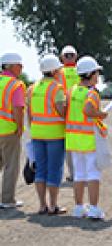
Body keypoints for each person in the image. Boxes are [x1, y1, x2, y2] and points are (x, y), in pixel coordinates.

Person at [65, 56, 108, 220]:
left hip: (74, 139)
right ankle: (94, 208)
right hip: (89, 139)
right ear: (90, 74)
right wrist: (101, 114)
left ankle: (78, 207)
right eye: (97, 73)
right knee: (93, 174)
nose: (98, 77)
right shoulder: (92, 93)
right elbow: (89, 110)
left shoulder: (71, 91)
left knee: (79, 174)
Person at [27, 55, 67, 215]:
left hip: (37, 133)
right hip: (54, 134)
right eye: (59, 69)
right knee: (54, 170)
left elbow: (29, 113)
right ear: (53, 70)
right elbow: (61, 110)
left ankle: (42, 205)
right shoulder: (57, 88)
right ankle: (53, 205)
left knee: (40, 169)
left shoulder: (32, 88)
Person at [0, 52, 25, 209]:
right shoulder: (16, 85)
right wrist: (20, 127)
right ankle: (7, 200)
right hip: (9, 130)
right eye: (20, 65)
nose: (22, 68)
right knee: (11, 166)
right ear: (12, 66)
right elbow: (17, 109)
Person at [57, 45, 80, 182]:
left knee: (69, 146)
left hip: (65, 112)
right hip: (81, 112)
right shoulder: (81, 70)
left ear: (61, 57)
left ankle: (73, 174)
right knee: (82, 143)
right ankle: (82, 173)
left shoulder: (58, 73)